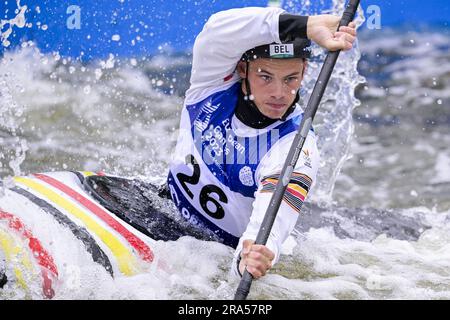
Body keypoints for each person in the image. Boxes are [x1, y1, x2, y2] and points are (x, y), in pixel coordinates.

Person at [166, 6, 357, 279]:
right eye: (266, 77)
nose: (279, 93)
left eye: (290, 79)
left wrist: (248, 260)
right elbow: (217, 29)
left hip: (210, 254)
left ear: (303, 72)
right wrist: (306, 25)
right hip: (164, 208)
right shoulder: (211, 83)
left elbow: (269, 227)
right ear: (244, 69)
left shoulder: (294, 149)